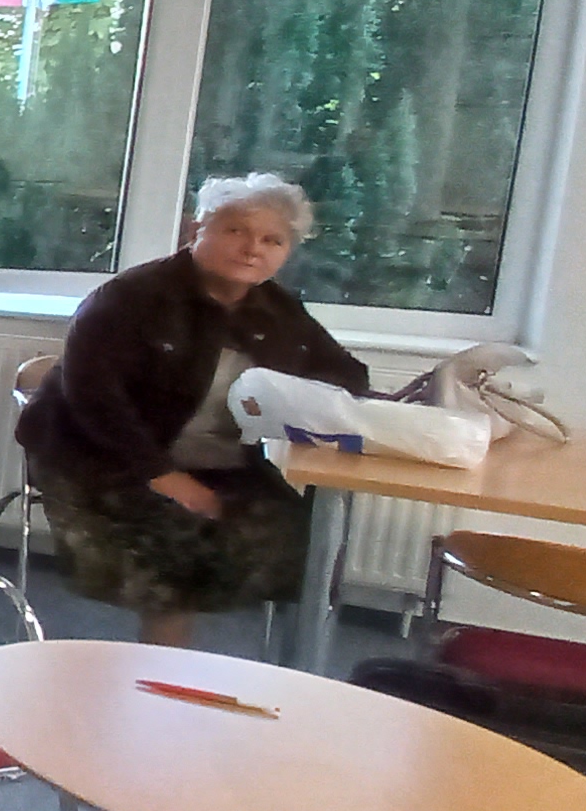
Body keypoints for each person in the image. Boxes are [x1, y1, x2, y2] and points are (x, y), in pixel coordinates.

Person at [18, 172, 369, 647]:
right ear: (195, 229)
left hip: (219, 460)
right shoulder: (130, 298)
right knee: (176, 535)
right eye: (236, 230)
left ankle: (290, 668)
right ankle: (163, 670)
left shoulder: (277, 308)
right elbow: (95, 402)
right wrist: (164, 477)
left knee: (309, 533)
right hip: (104, 458)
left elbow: (346, 374)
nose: (253, 248)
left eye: (273, 240)